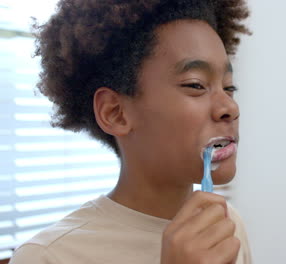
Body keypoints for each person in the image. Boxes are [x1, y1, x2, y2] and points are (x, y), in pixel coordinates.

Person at [9, 0, 252, 263]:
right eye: (195, 85)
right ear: (115, 113)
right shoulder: (48, 257)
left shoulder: (227, 225)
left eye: (229, 87)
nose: (230, 107)